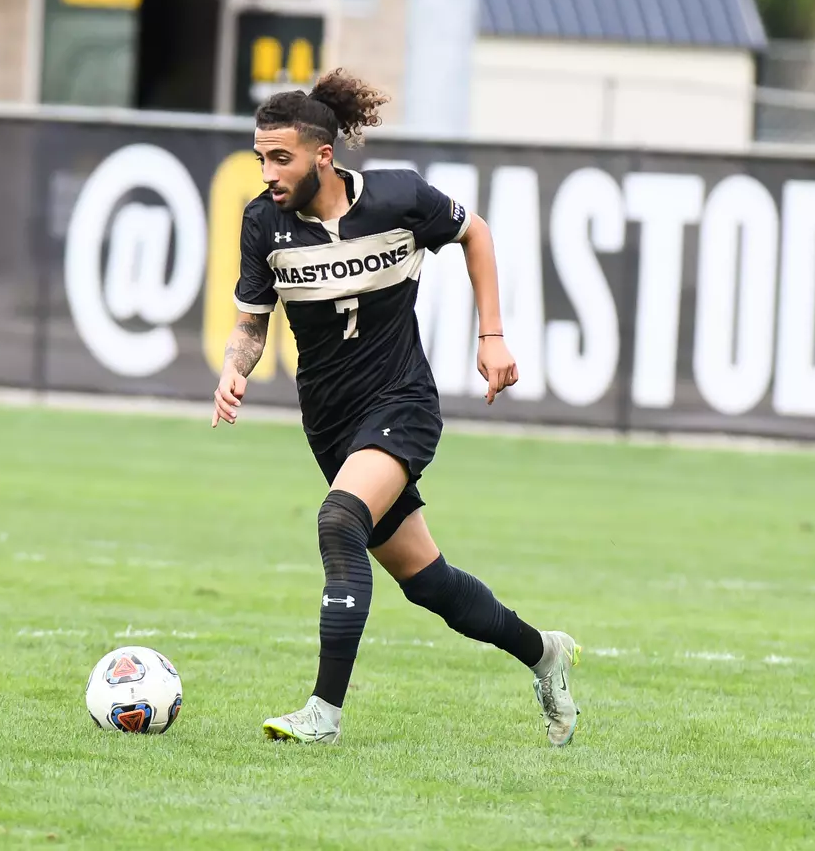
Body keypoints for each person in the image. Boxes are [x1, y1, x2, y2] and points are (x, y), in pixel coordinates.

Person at [210, 70, 580, 747]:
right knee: (429, 582)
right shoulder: (263, 223)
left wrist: (491, 334)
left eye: (280, 157)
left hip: (400, 403)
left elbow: (477, 233)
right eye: (261, 157)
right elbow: (250, 324)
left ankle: (323, 713)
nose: (267, 172)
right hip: (330, 424)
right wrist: (234, 371)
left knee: (338, 520)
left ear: (324, 155)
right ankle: (543, 653)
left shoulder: (399, 197)